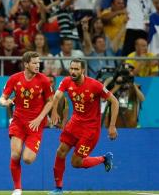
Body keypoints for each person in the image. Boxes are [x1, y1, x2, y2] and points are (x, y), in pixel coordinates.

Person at [48, 58, 119, 195]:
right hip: (74, 123)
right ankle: (58, 189)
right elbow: (56, 96)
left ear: (83, 71)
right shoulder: (67, 81)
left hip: (90, 129)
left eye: (76, 69)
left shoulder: (95, 85)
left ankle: (104, 158)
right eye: (72, 69)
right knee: (60, 151)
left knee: (76, 162)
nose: (73, 72)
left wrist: (112, 126)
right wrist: (55, 112)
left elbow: (114, 101)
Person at [0, 51, 54, 195]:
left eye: (39, 63)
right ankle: (17, 189)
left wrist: (40, 118)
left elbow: (50, 102)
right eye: (34, 63)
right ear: (26, 64)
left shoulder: (44, 81)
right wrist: (5, 102)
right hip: (18, 121)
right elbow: (2, 98)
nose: (37, 65)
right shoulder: (14, 79)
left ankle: (18, 186)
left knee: (28, 159)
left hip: (35, 124)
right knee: (15, 154)